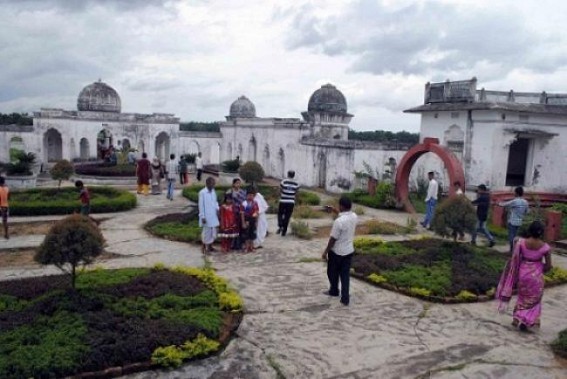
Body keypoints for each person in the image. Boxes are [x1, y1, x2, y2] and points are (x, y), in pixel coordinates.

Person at [495, 221, 552, 331]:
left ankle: (516, 319)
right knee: (534, 300)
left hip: (522, 275)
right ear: (541, 233)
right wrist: (539, 268)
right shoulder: (545, 247)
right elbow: (549, 266)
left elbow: (515, 258)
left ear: (529, 230)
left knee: (522, 297)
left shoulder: (520, 243)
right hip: (536, 278)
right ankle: (526, 321)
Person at [322, 196, 358, 306]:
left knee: (331, 272)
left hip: (336, 252)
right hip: (348, 251)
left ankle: (334, 290)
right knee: (345, 275)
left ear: (341, 206)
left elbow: (333, 238)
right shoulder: (354, 216)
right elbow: (345, 216)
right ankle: (345, 298)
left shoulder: (338, 222)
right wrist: (334, 210)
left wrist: (325, 252)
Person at [499, 186, 529, 252]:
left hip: (512, 221)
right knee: (516, 236)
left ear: (517, 193)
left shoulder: (515, 201)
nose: (514, 193)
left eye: (515, 192)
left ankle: (512, 250)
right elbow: (527, 212)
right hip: (519, 222)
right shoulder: (526, 202)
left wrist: (499, 203)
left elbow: (504, 204)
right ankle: (515, 250)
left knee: (511, 236)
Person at [198, 177, 219, 253]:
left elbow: (215, 202)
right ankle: (204, 248)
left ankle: (210, 246)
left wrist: (217, 209)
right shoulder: (202, 193)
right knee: (206, 232)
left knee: (213, 231)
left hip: (213, 215)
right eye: (212, 183)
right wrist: (202, 216)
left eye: (214, 183)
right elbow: (201, 205)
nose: (213, 185)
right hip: (206, 216)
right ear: (207, 183)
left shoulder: (213, 191)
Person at [226, 178, 246, 250]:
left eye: (239, 183)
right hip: (232, 212)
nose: (238, 184)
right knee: (233, 229)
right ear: (233, 184)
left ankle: (239, 244)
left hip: (241, 213)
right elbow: (227, 201)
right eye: (237, 183)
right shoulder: (229, 192)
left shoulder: (243, 192)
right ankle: (232, 244)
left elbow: (244, 201)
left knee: (241, 229)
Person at [277, 170, 299, 237]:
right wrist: (296, 200)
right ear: (294, 175)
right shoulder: (296, 183)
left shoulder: (284, 181)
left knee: (280, 213)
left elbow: (280, 190)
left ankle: (280, 225)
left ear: (288, 174)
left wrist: (280, 195)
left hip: (283, 200)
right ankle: (284, 231)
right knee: (287, 216)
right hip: (291, 202)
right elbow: (297, 193)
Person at [240, 188, 259, 253]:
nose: (250, 196)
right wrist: (243, 223)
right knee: (246, 234)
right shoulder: (244, 203)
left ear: (253, 196)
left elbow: (257, 213)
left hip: (253, 220)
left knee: (252, 234)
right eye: (249, 195)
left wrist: (256, 222)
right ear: (246, 195)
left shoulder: (255, 203)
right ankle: (246, 247)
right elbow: (242, 214)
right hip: (246, 220)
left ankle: (251, 247)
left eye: (252, 195)